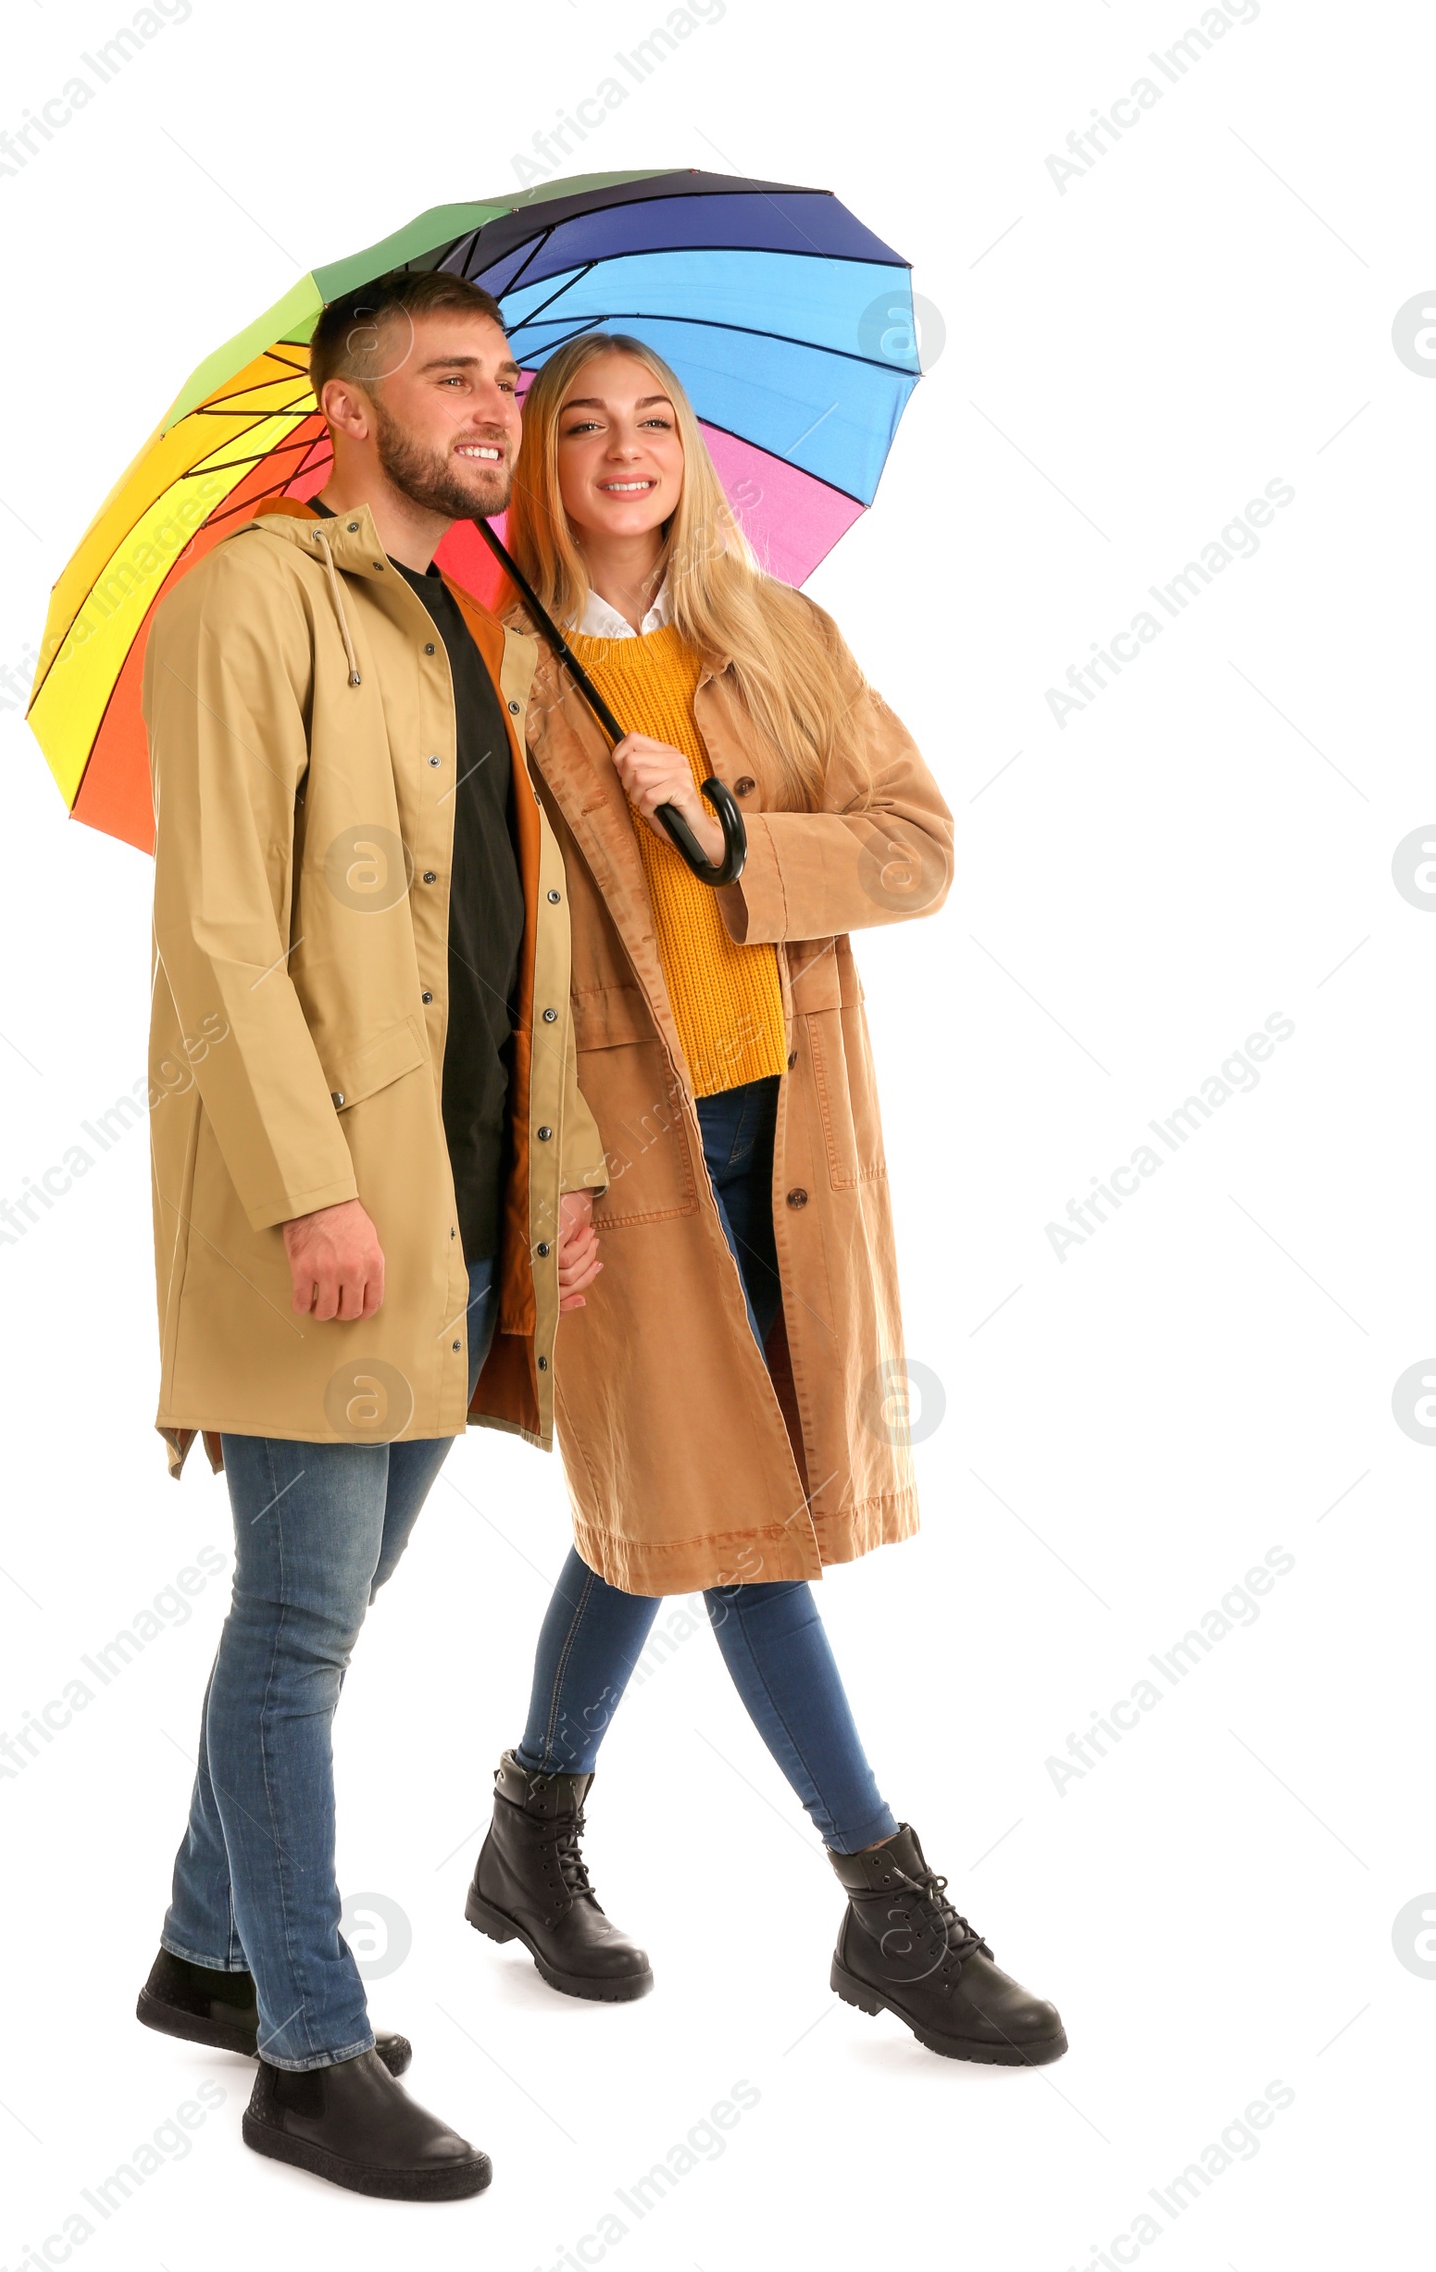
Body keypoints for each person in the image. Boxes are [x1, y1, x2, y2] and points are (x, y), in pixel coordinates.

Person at [464, 333, 1066, 2067]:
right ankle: (890, 1901)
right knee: (744, 1521)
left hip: (786, 1144)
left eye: (656, 421)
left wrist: (727, 829)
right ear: (538, 466)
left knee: (682, 1503)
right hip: (620, 1164)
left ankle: (529, 1821)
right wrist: (536, 1184)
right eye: (583, 424)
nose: (627, 450)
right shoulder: (492, 678)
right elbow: (483, 964)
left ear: (695, 454)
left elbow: (918, 846)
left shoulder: (780, 642)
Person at [135, 268, 609, 2199]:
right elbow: (223, 924)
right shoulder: (258, 600)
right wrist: (309, 1185)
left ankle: (204, 1956)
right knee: (302, 1624)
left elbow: (516, 943)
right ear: (347, 411)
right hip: (327, 1212)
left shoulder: (457, 627)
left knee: (315, 1617)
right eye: (452, 380)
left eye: (508, 379)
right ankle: (307, 2053)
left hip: (461, 1208)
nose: (498, 409)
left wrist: (555, 1169)